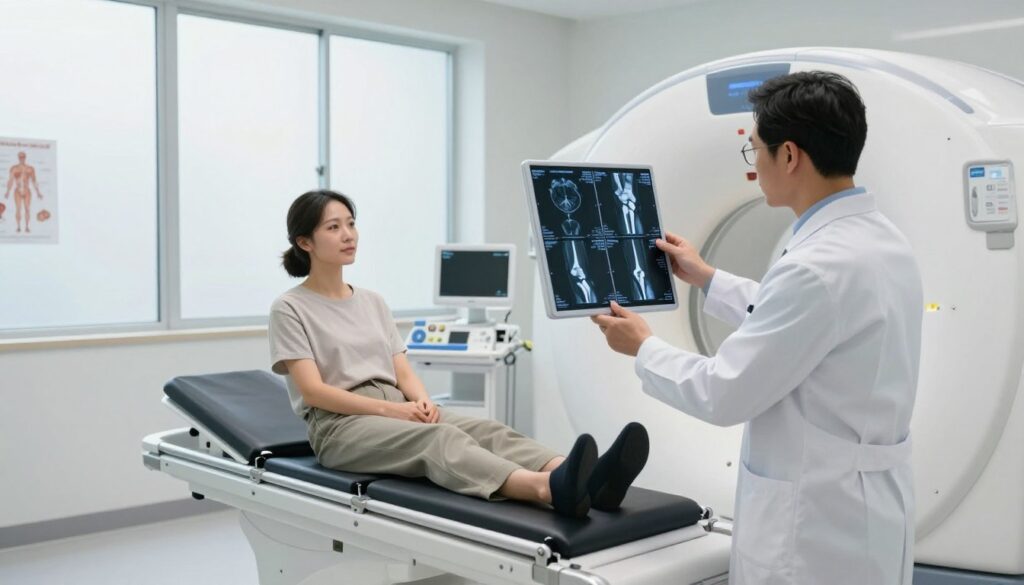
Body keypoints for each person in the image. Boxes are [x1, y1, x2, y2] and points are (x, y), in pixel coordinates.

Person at [591, 71, 922, 584]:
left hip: (816, 529)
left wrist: (644, 348)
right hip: (866, 511)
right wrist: (708, 278)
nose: (754, 165)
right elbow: (803, 323)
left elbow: (724, 393)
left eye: (755, 150)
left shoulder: (815, 267)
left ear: (788, 155)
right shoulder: (882, 241)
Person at [269, 189, 650, 518]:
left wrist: (421, 401)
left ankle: (590, 479)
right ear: (305, 242)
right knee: (440, 440)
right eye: (333, 227)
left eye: (351, 224)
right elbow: (314, 392)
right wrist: (395, 411)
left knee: (486, 429)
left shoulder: (372, 301)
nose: (348, 235)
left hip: (397, 404)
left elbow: (402, 371)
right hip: (341, 426)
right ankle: (547, 488)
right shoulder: (290, 308)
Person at [5, 151, 44, 234]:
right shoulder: (14, 168)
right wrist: (7, 191)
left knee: (27, 209)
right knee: (18, 208)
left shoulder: (30, 168)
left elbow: (34, 181)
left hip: (27, 191)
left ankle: (27, 227)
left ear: (25, 157)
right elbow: (10, 180)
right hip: (18, 190)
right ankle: (18, 226)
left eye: (23, 157)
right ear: (18, 158)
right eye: (20, 157)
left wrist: (38, 192)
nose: (21, 158)